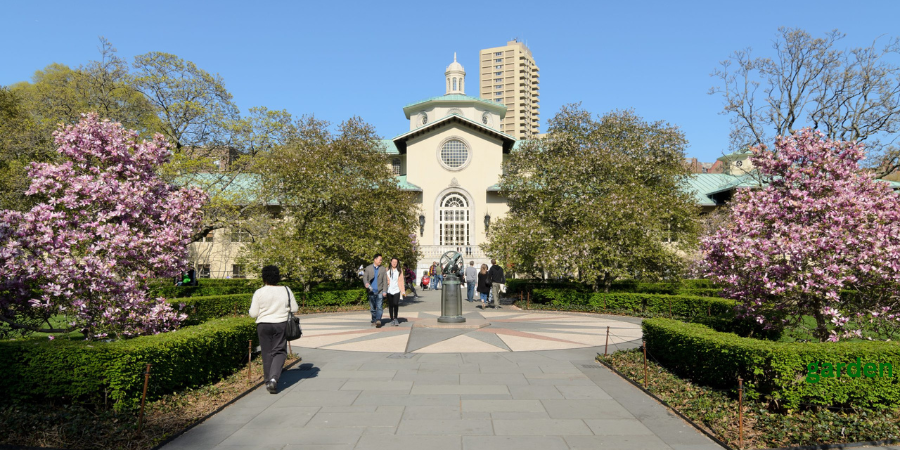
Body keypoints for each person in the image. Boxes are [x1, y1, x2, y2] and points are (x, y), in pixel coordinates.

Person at [248, 265, 298, 394]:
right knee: (280, 351)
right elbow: (294, 309)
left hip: (263, 325)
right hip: (280, 324)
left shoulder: (259, 292)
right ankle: (274, 379)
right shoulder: (286, 290)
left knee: (266, 352)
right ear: (278, 277)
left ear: (264, 277)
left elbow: (253, 313)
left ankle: (268, 380)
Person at [362, 254, 388, 327]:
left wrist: (384, 291)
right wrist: (366, 283)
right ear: (375, 259)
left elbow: (385, 281)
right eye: (380, 259)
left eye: (381, 260)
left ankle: (378, 320)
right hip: (371, 291)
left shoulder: (383, 269)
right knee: (373, 308)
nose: (381, 261)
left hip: (380, 291)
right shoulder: (368, 268)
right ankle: (374, 319)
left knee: (379, 306)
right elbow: (365, 278)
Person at [385, 257, 406, 326]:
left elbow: (401, 281)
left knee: (395, 304)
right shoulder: (387, 270)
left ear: (397, 263)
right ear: (391, 262)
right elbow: (384, 280)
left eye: (396, 262)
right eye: (393, 262)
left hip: (397, 290)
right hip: (389, 290)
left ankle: (396, 318)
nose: (394, 263)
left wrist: (403, 291)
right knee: (391, 305)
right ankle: (391, 319)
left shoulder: (399, 270)